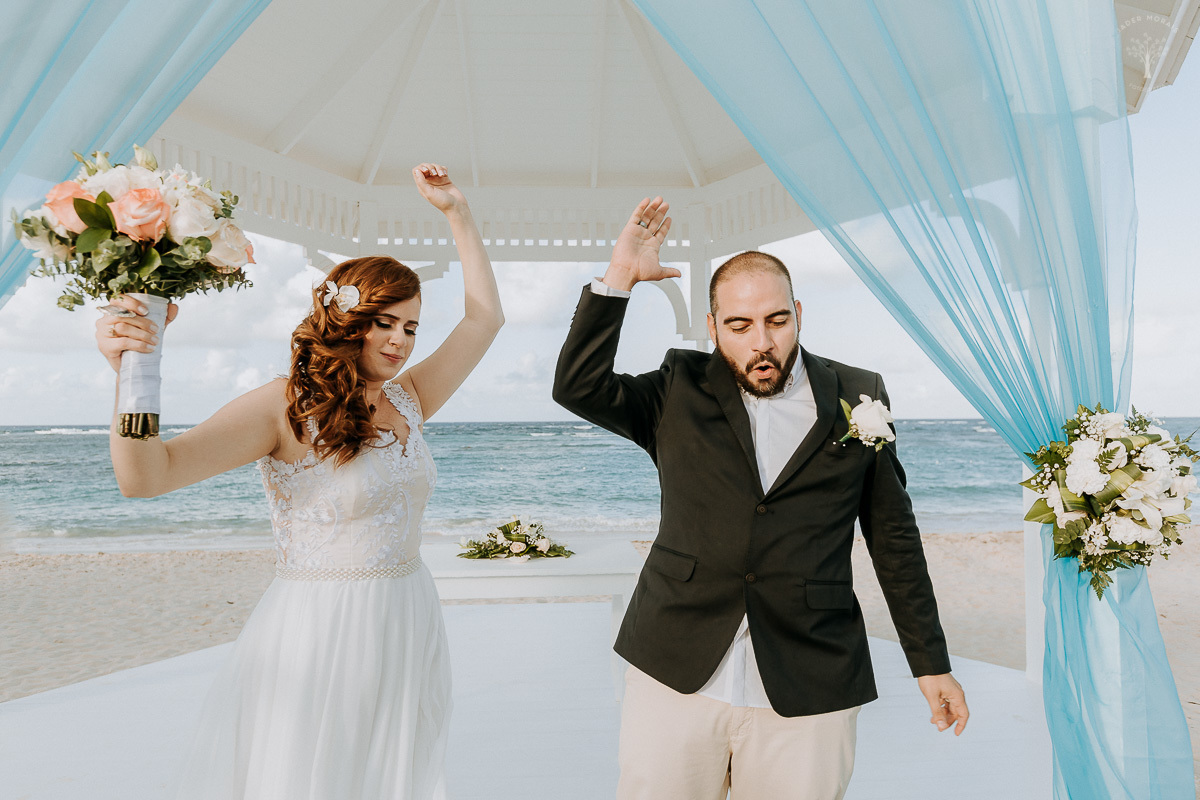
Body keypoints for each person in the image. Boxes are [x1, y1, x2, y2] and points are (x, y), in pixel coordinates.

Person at [94, 164, 503, 800]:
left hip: (407, 615)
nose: (399, 341)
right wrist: (130, 373)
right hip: (323, 629)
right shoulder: (282, 407)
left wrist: (458, 213)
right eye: (384, 321)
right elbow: (147, 477)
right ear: (345, 318)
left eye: (410, 327)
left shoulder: (410, 398)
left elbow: (485, 319)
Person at [552, 196, 968, 800]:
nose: (762, 343)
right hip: (675, 664)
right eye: (740, 326)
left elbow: (893, 536)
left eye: (776, 320)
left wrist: (930, 662)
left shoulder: (860, 394)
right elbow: (578, 386)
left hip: (811, 671)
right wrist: (619, 277)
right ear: (713, 327)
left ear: (798, 313)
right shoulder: (676, 388)